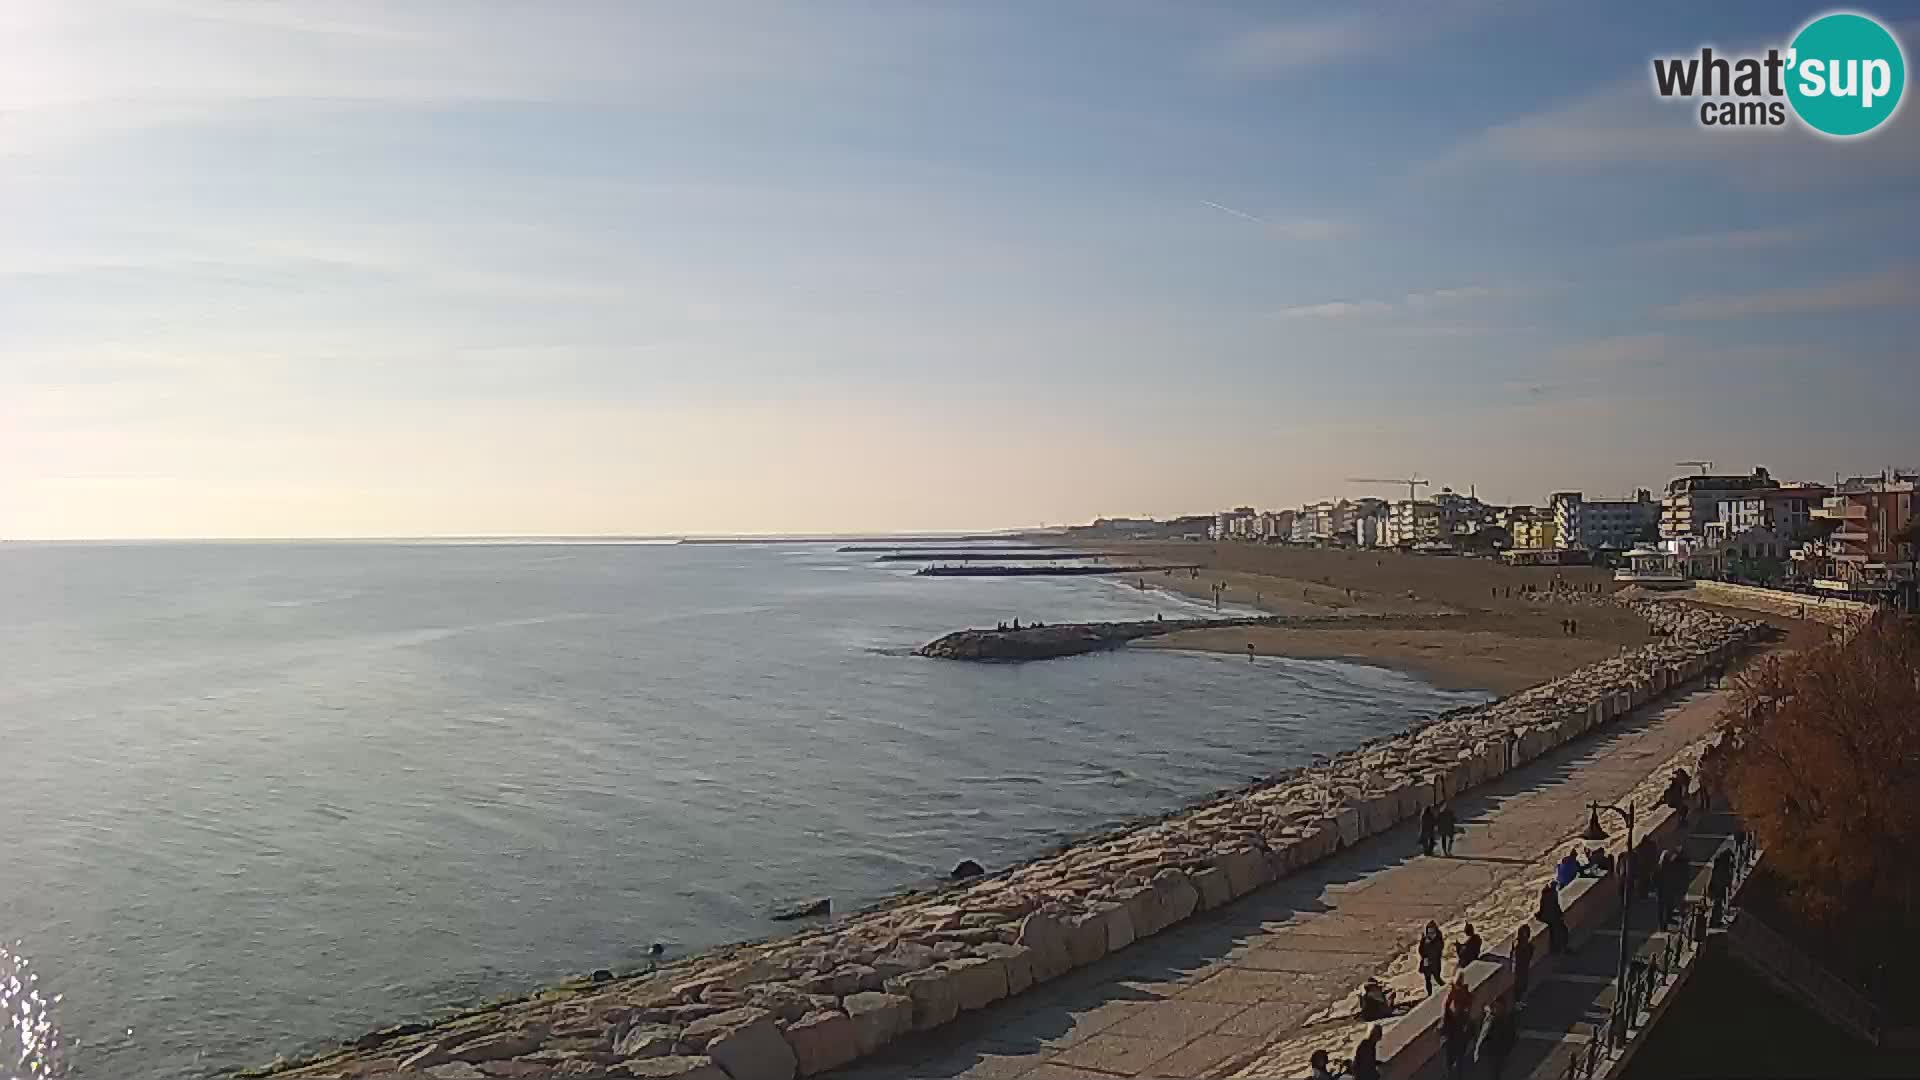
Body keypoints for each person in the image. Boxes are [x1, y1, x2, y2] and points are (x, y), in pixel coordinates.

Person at [1477, 995, 1517, 1080]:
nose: (1496, 1010)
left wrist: (1506, 1051)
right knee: (1492, 1074)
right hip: (1492, 1053)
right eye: (1495, 1007)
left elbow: (1512, 1037)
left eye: (1498, 1007)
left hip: (1501, 1053)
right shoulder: (1493, 1021)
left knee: (1496, 1073)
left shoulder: (1507, 1020)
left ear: (1503, 1007)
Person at [1441, 974, 1473, 1080]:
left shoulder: (1463, 993)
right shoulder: (1458, 992)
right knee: (1454, 1059)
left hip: (1457, 1030)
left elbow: (1446, 1006)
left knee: (1456, 1058)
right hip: (1455, 1029)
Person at [1538, 882, 1568, 953]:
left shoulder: (1545, 894)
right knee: (1560, 931)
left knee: (1554, 933)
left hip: (1549, 917)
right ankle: (1559, 948)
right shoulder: (1553, 893)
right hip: (1552, 917)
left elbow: (1543, 906)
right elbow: (1556, 905)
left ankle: (1555, 949)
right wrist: (1560, 913)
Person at [1419, 920, 1446, 995]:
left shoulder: (1438, 939)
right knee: (1427, 980)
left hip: (1435, 963)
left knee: (1437, 978)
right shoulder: (1425, 938)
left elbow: (1438, 950)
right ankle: (1430, 995)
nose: (1430, 934)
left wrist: (1430, 943)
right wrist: (1424, 956)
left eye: (1432, 933)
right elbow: (1420, 949)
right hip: (1426, 962)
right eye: (1429, 932)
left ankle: (1446, 989)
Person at [1709, 848, 1735, 926]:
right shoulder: (1725, 866)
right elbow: (1727, 878)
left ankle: (1715, 920)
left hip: (1716, 886)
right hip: (1720, 888)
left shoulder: (1719, 863)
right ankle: (1715, 921)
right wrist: (1729, 888)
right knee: (1718, 905)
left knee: (1717, 905)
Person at [1510, 924, 1534, 1005]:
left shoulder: (1528, 946)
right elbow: (1514, 958)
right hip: (1519, 968)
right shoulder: (1518, 947)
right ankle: (1517, 1002)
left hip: (1524, 967)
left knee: (1523, 985)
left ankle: (1519, 1001)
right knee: (1519, 986)